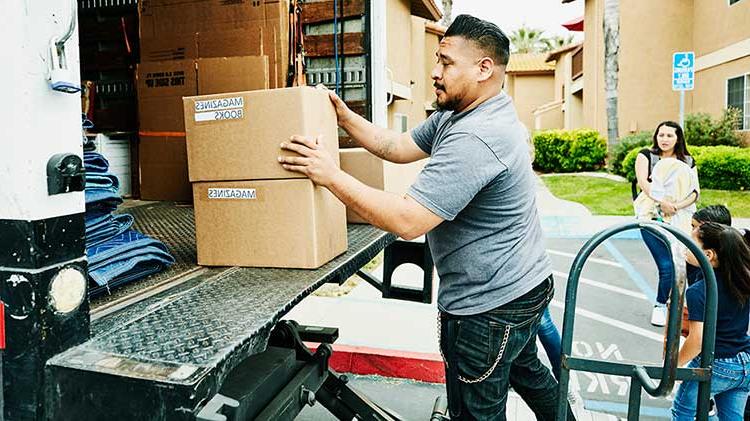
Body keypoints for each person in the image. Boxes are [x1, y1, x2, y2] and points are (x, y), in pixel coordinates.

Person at [278, 13, 574, 421]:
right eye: (437, 60)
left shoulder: (478, 136)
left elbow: (407, 219)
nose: (434, 72)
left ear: (484, 68)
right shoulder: (460, 113)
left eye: (446, 62)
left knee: (477, 411)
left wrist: (330, 175)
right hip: (519, 287)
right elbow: (396, 146)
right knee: (531, 376)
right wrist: (345, 118)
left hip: (488, 307)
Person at [671, 222, 750, 420]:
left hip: (717, 364)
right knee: (732, 417)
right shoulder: (741, 279)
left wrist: (673, 364)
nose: (685, 249)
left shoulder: (699, 291)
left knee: (683, 412)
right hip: (745, 364)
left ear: (708, 255)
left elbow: (697, 340)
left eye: (690, 245)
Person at [633, 121, 699, 327]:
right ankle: (661, 305)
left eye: (669, 135)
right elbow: (643, 183)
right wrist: (663, 203)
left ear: (678, 138)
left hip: (680, 218)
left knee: (690, 263)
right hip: (651, 217)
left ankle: (689, 306)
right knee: (667, 265)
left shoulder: (688, 161)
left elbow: (695, 192)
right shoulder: (646, 156)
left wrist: (676, 206)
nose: (664, 139)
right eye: (661, 135)